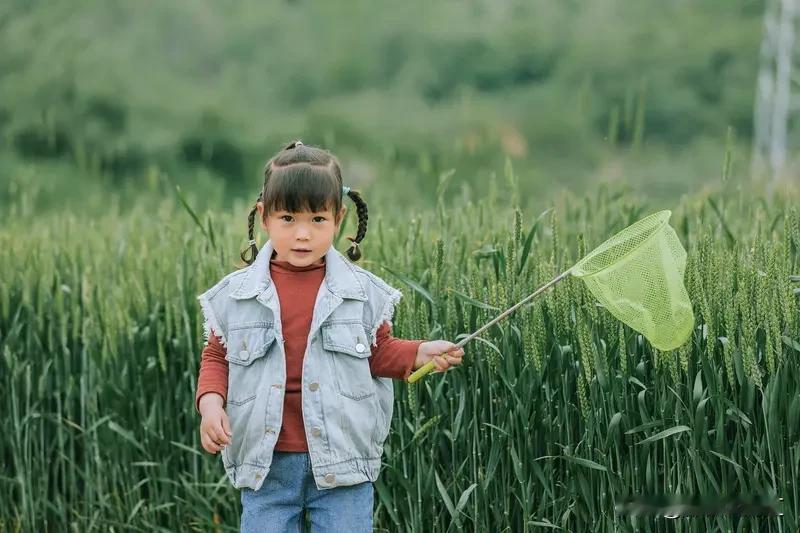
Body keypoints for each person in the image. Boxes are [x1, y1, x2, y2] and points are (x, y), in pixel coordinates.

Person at [194, 140, 465, 532]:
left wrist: (422, 352)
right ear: (264, 217)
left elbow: (380, 352)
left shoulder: (360, 292)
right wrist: (211, 406)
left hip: (342, 458)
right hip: (265, 463)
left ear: (339, 219)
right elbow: (217, 357)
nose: (302, 234)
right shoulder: (237, 296)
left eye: (317, 220)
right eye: (288, 218)